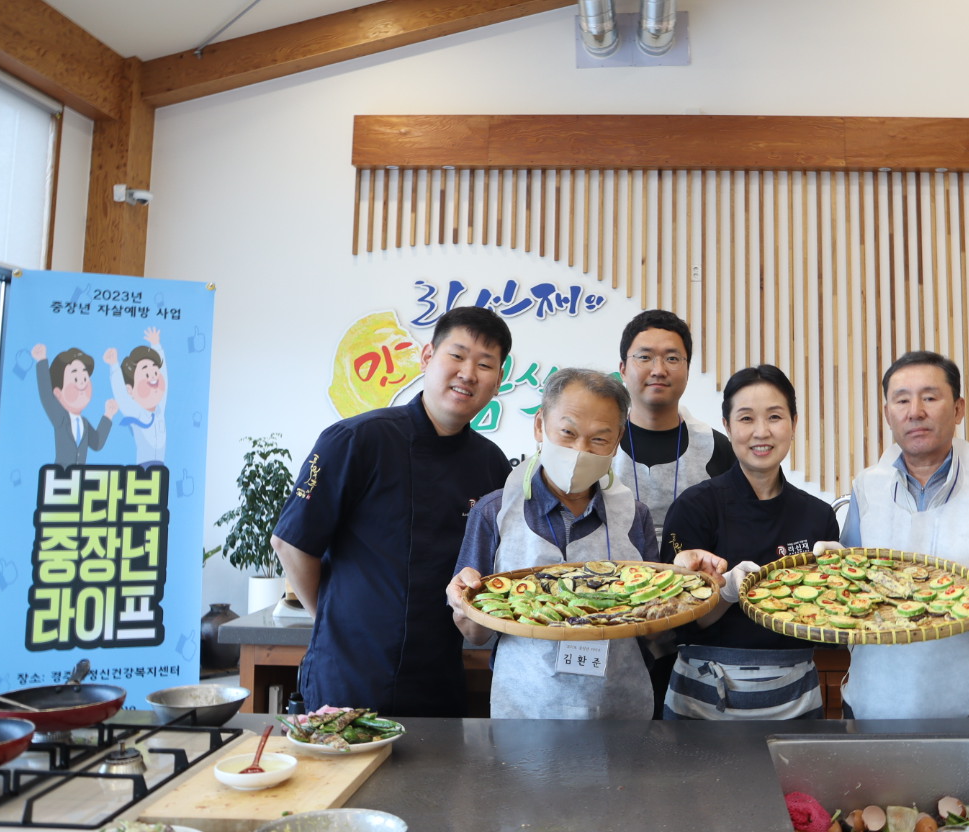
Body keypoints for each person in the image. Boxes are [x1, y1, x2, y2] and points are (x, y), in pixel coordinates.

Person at [271, 306, 513, 716]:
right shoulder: (355, 439)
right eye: (457, 355)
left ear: (497, 381)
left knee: (435, 781)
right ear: (426, 357)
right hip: (350, 674)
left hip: (438, 676)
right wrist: (337, 622)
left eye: (484, 364)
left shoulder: (492, 465)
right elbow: (291, 543)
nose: (468, 373)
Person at [446, 368, 725, 719]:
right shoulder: (494, 512)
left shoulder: (632, 516)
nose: (580, 450)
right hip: (526, 709)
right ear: (539, 426)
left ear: (618, 439)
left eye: (598, 439)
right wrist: (462, 603)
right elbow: (474, 632)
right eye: (568, 432)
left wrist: (682, 581)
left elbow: (652, 621)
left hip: (615, 707)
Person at [831, 351, 969, 719]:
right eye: (902, 400)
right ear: (888, 414)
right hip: (871, 700)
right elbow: (851, 578)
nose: (915, 411)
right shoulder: (867, 486)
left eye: (930, 397)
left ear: (958, 409)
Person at [658, 364, 839, 720]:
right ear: (726, 426)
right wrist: (724, 594)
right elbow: (674, 618)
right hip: (704, 699)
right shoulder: (693, 508)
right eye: (745, 419)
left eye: (774, 417)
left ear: (793, 423)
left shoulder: (818, 516)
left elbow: (825, 626)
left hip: (795, 697)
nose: (761, 432)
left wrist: (843, 582)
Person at [613, 309, 735, 546]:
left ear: (688, 370)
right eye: (645, 357)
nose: (658, 370)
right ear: (623, 369)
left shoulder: (717, 448)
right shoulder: (597, 446)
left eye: (672, 358)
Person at [32, 343, 117, 467]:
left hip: (78, 480)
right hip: (60, 478)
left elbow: (97, 443)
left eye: (85, 378)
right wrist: (41, 360)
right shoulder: (60, 417)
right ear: (57, 392)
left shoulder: (84, 423)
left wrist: (108, 415)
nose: (83, 383)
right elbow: (46, 395)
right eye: (76, 379)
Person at [105, 327, 167, 467]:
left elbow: (164, 378)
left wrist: (156, 346)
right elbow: (121, 395)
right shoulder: (137, 413)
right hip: (143, 471)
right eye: (146, 374)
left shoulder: (159, 410)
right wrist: (114, 365)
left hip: (161, 471)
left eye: (155, 373)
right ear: (130, 390)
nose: (153, 376)